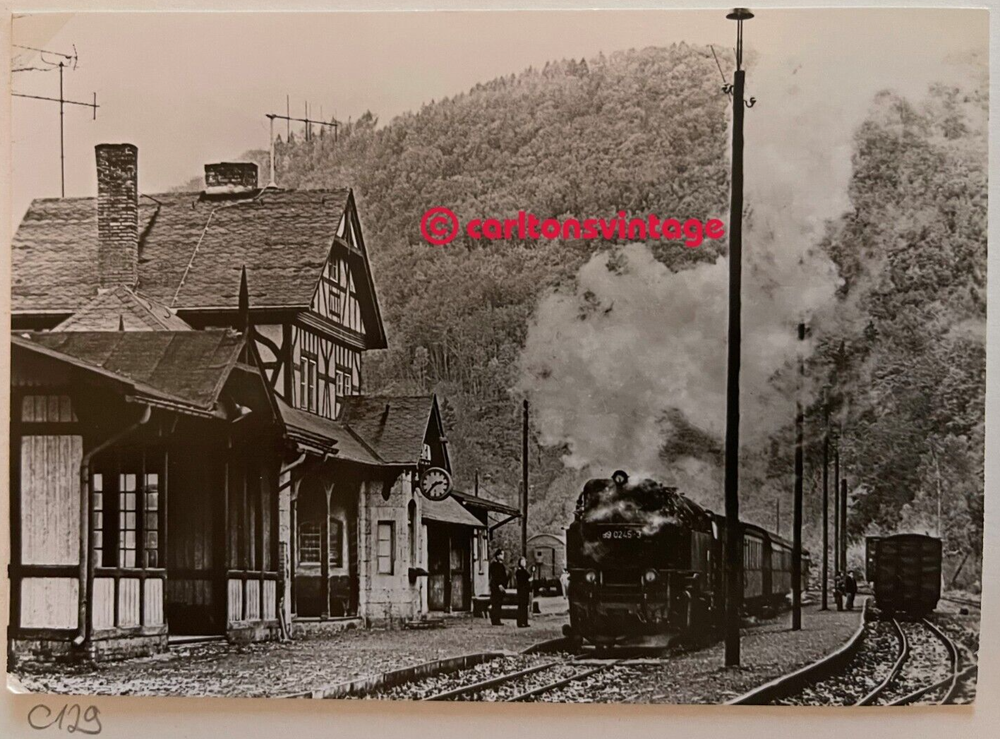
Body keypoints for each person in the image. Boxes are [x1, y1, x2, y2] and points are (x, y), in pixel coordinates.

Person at [489, 549, 508, 625]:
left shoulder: (501, 565)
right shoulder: (494, 565)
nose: (503, 556)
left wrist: (504, 585)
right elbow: (495, 576)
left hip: (501, 587)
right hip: (496, 587)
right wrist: (499, 584)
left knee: (499, 603)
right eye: (502, 554)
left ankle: (497, 618)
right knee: (495, 603)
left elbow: (503, 576)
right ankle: (494, 619)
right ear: (498, 555)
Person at [515, 557, 531, 628]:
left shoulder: (525, 571)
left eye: (524, 562)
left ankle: (525, 621)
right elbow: (522, 580)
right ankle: (520, 622)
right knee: (521, 606)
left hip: (525, 590)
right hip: (521, 590)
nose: (524, 563)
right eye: (522, 562)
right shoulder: (519, 572)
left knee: (525, 606)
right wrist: (528, 580)